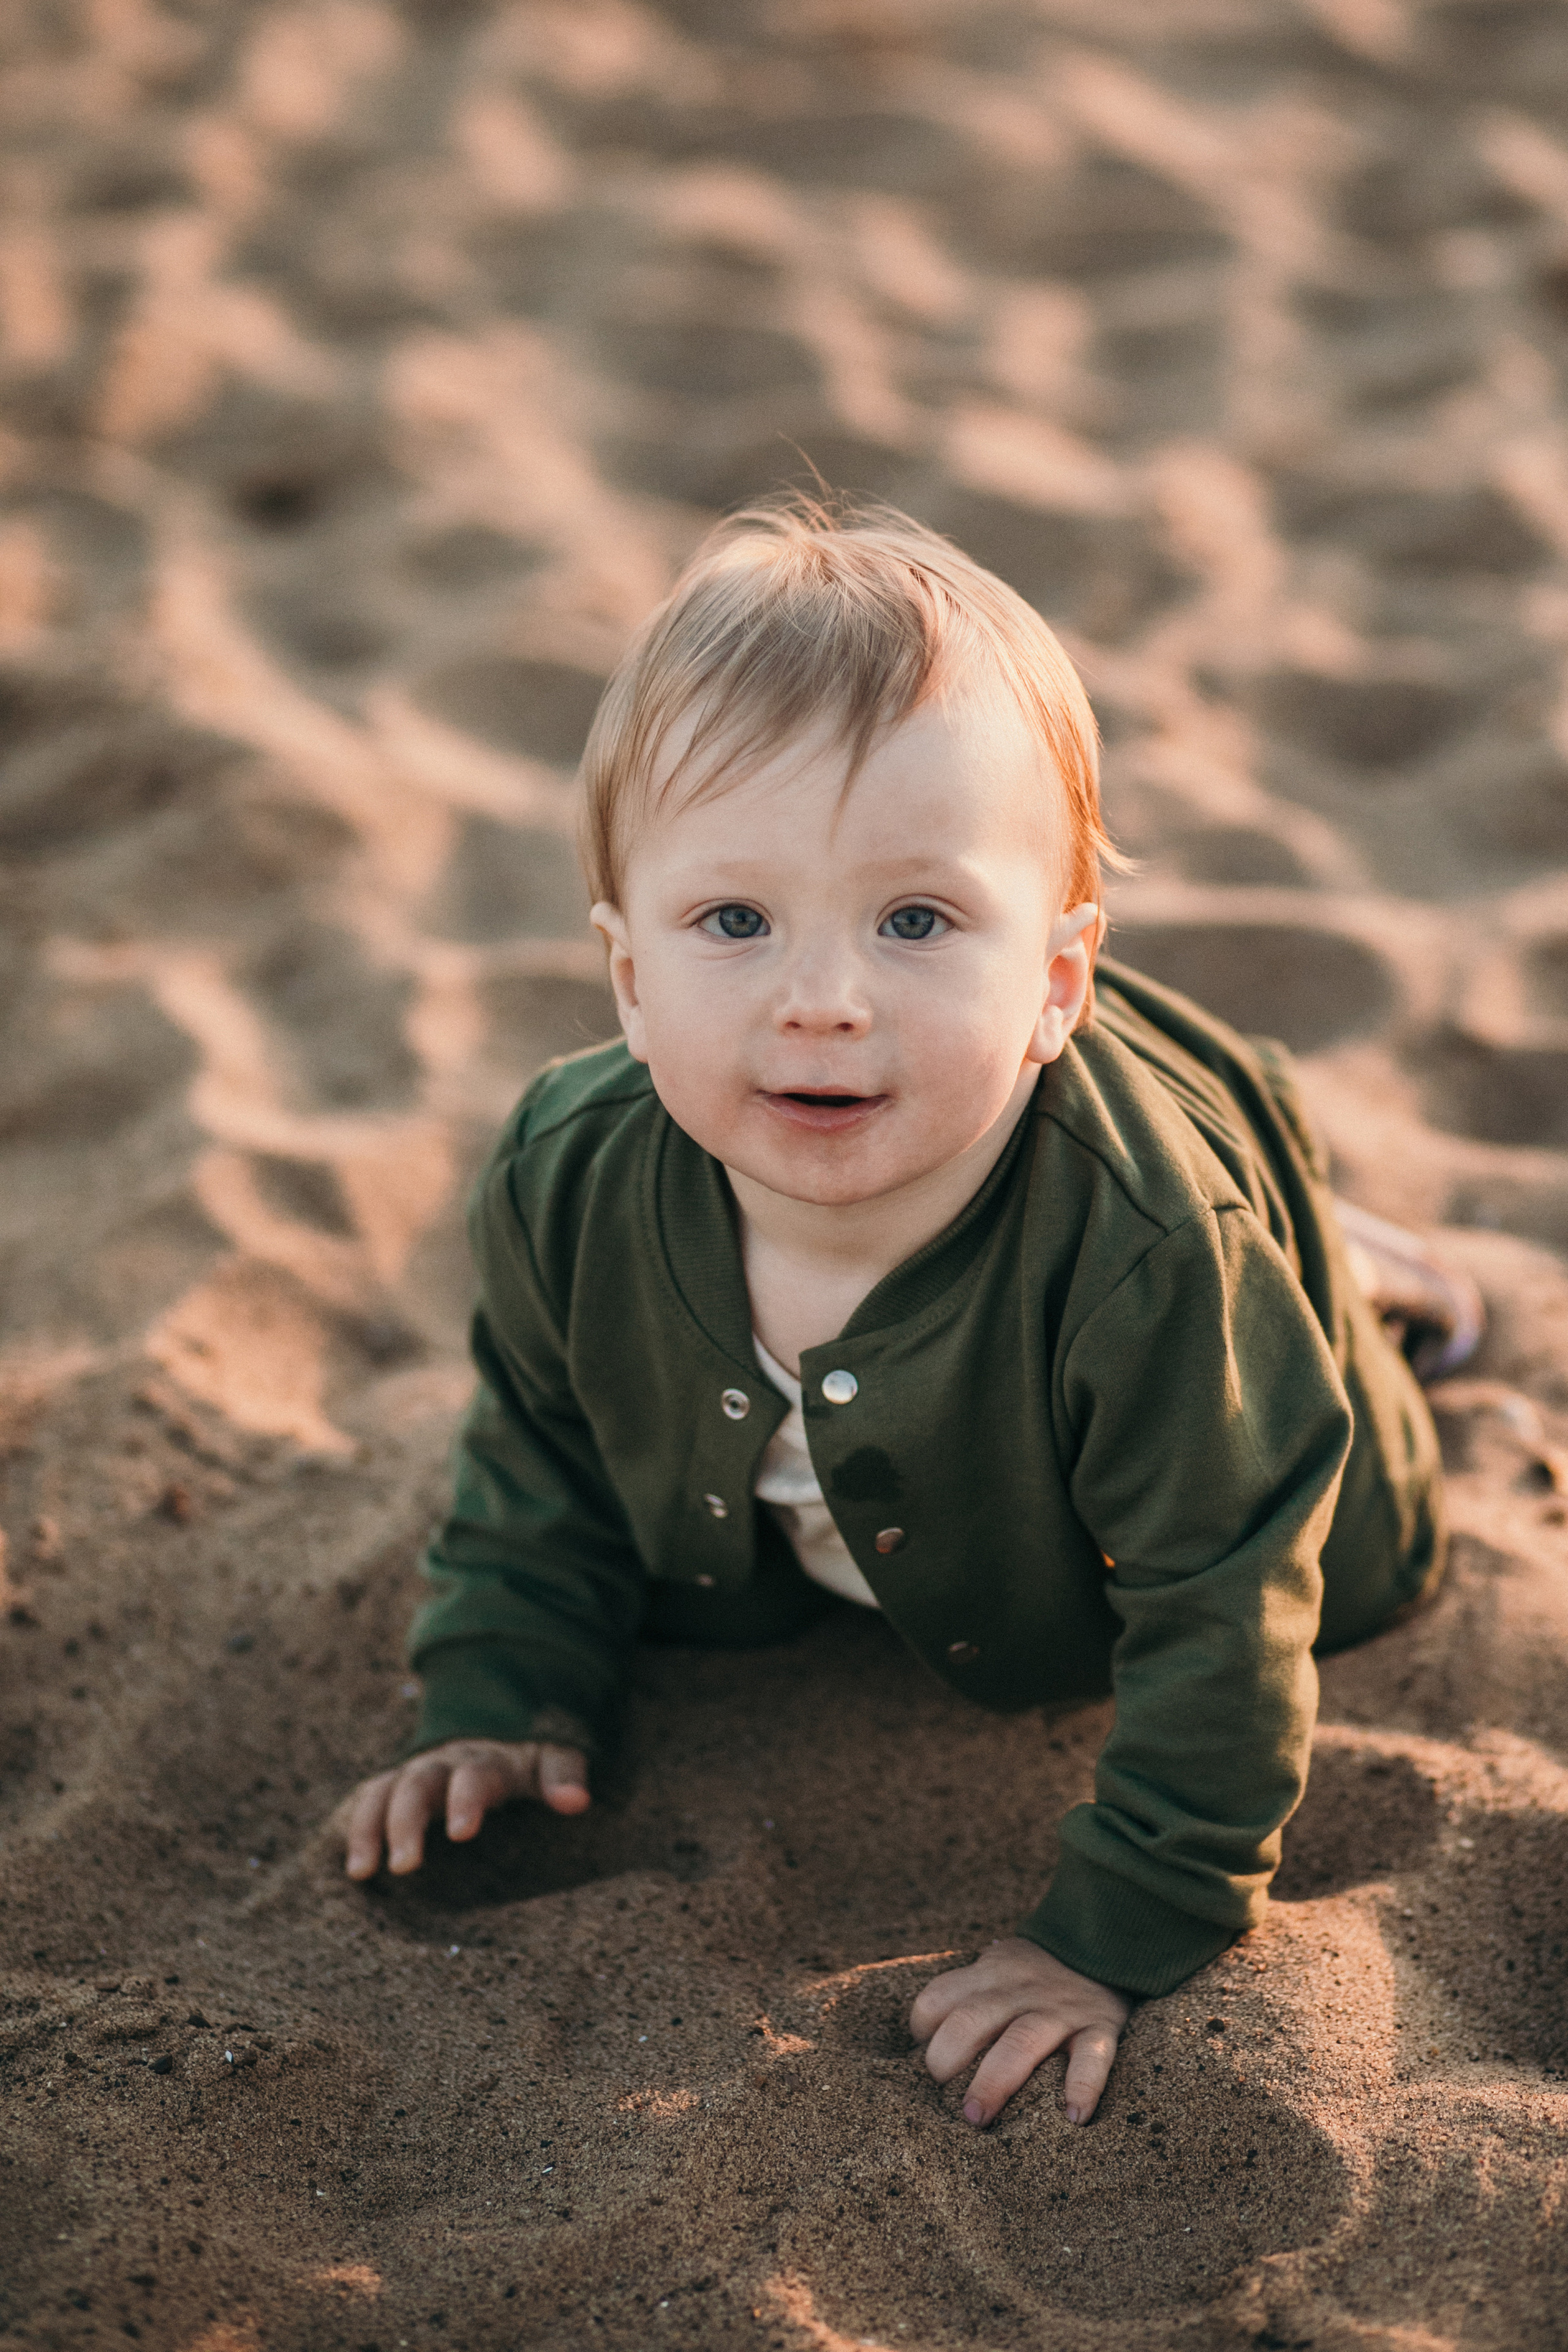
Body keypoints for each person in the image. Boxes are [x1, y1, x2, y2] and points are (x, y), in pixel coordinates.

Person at [336, 498, 1475, 2129]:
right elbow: (537, 1455)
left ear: (1060, 983)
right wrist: (502, 1692)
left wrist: (1117, 1938)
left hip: (1227, 1412)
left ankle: (1346, 1263)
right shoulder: (566, 1177)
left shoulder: (1148, 1264)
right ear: (628, 974)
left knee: (1278, 1345)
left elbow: (1227, 1612)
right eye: (733, 921)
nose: (823, 996)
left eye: (918, 919)